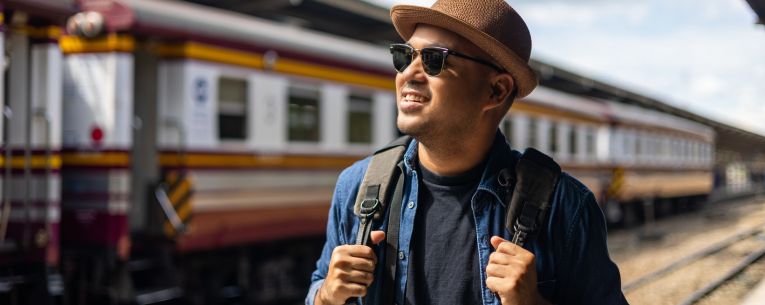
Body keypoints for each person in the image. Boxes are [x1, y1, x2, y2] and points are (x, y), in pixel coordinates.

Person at [306, 0, 629, 304]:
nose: (408, 74)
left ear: (496, 90)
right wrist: (326, 295)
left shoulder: (566, 206)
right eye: (404, 56)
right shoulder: (358, 185)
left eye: (435, 60)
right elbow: (320, 285)